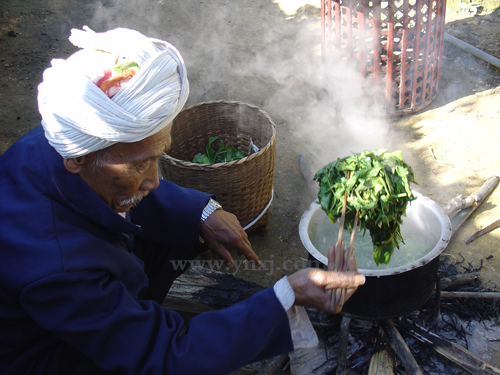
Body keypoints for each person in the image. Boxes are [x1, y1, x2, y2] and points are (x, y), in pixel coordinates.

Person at [0, 27, 365, 375]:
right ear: (77, 158)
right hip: (46, 354)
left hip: (80, 289)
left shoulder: (63, 136)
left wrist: (202, 212)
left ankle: (140, 313)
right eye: (140, 164)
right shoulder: (58, 267)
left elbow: (138, 183)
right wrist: (287, 295)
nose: (155, 180)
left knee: (181, 224)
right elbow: (164, 355)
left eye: (158, 156)